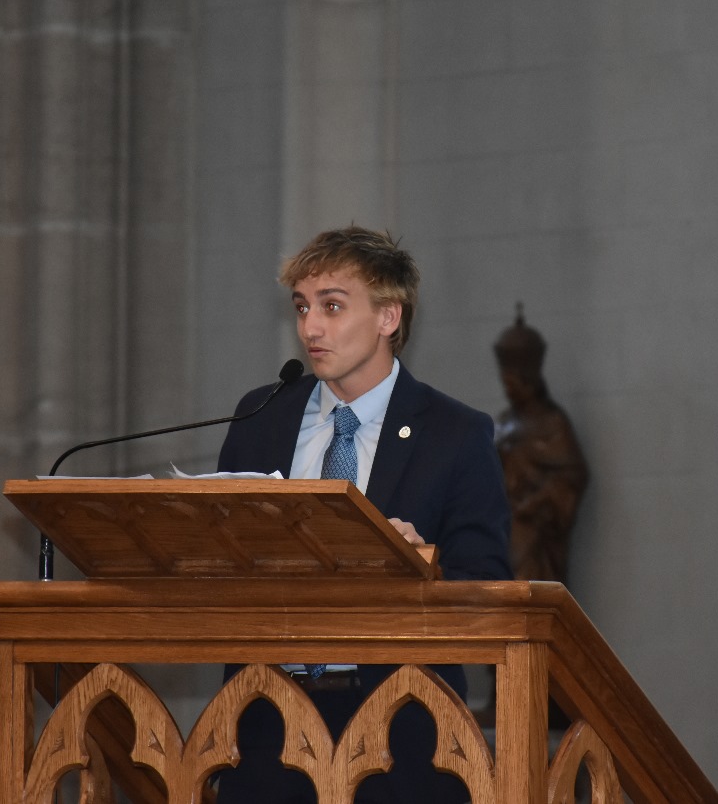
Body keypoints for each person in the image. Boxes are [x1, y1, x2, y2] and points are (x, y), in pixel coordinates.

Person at [213, 226, 512, 804]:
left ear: (387, 317)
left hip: (403, 735)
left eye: (331, 306)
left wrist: (419, 567)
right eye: (302, 307)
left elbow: (489, 588)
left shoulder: (455, 433)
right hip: (268, 728)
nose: (310, 328)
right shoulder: (262, 415)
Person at [493, 305, 588, 583]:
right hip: (501, 530)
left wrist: (536, 503)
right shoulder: (503, 422)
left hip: (533, 535)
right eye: (505, 382)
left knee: (531, 592)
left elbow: (572, 477)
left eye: (513, 382)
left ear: (528, 380)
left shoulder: (552, 422)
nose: (508, 388)